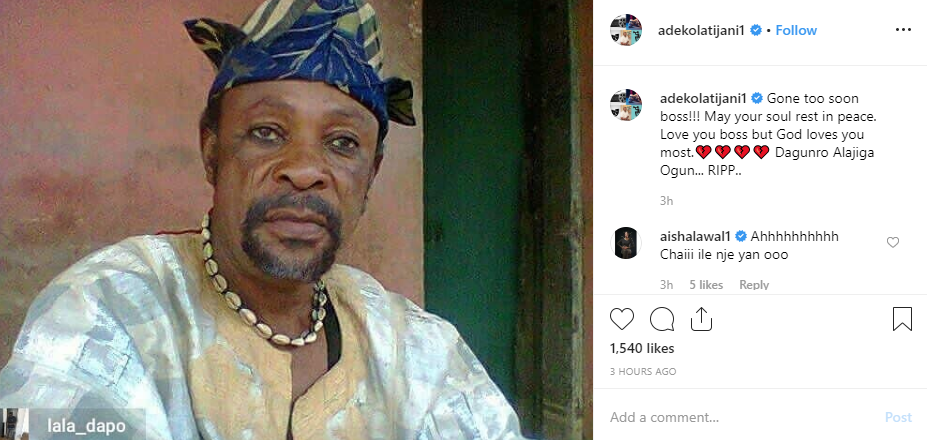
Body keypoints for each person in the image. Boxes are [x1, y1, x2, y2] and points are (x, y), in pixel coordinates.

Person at [0, 1, 529, 439]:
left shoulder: (416, 348)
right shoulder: (107, 308)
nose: (304, 170)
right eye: (267, 133)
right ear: (212, 151)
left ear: (371, 174)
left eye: (342, 143)